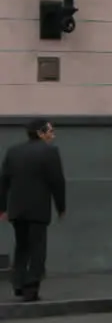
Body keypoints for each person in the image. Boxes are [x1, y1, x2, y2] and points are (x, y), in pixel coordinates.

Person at [0, 119, 66, 302]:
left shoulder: (13, 151)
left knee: (21, 246)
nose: (53, 135)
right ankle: (31, 287)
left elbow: (4, 180)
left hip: (17, 208)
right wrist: (61, 207)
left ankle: (18, 283)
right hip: (38, 209)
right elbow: (57, 182)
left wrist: (2, 207)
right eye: (50, 131)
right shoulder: (50, 152)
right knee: (37, 248)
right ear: (40, 133)